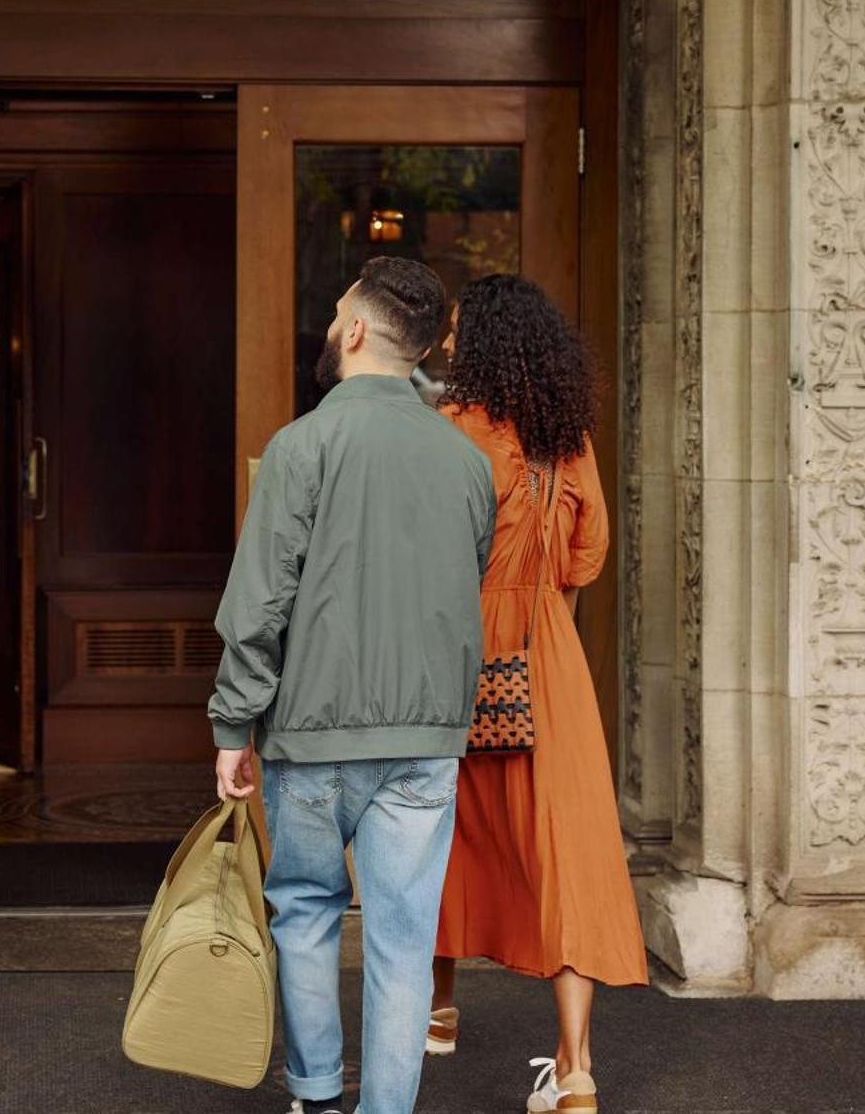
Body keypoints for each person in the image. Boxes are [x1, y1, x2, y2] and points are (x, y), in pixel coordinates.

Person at [211, 256, 497, 1114]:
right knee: (406, 938)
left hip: (314, 728)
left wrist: (234, 724)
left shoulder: (304, 445)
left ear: (359, 330)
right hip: (425, 735)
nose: (332, 325)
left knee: (302, 911)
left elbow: (259, 601)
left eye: (338, 313)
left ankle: (313, 1096)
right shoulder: (466, 460)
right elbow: (464, 582)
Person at [427, 275, 647, 1114]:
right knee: (566, 847)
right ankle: (577, 1067)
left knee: (441, 826)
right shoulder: (569, 437)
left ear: (480, 344)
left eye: (456, 334)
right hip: (547, 655)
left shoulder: (451, 431)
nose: (447, 346)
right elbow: (586, 562)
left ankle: (439, 1009)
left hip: (459, 648)